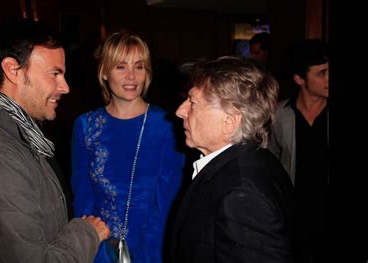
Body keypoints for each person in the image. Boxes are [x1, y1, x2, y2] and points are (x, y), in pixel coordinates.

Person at [0, 18, 110, 262]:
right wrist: (87, 232)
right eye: (55, 73)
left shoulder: (20, 135)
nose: (64, 87)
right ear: (13, 70)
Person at [71, 32, 185, 262]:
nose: (131, 76)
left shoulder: (166, 126)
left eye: (139, 66)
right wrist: (97, 250)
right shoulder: (85, 125)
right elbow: (82, 197)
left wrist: (147, 254)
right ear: (104, 72)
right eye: (121, 67)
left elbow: (167, 203)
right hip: (98, 249)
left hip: (153, 249)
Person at [171, 56, 294, 262]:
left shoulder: (241, 193)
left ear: (229, 122)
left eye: (192, 102)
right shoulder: (254, 158)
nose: (180, 111)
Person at [268, 39, 328, 263]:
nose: (328, 78)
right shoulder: (279, 115)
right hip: (295, 218)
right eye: (322, 73)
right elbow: (271, 162)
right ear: (299, 79)